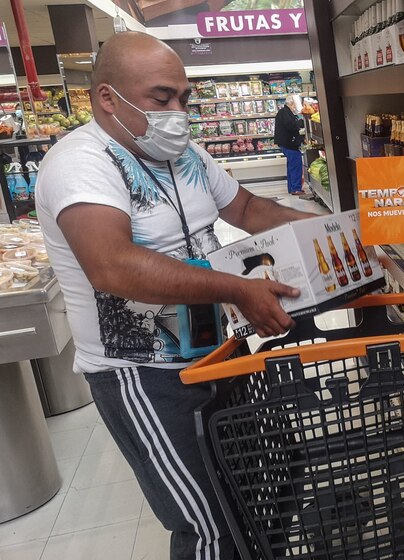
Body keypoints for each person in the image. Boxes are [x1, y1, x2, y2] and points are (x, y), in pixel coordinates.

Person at [36, 32, 317, 560]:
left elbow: (251, 211)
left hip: (216, 351)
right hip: (145, 373)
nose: (177, 113)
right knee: (208, 523)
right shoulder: (80, 164)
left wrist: (340, 229)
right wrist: (238, 287)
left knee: (258, 491)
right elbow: (111, 266)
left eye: (184, 98)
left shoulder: (186, 154)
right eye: (161, 99)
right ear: (107, 98)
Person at [274, 93, 305, 195]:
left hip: (286, 143)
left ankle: (292, 188)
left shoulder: (285, 112)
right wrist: (302, 122)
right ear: (292, 103)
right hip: (289, 144)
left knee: (291, 166)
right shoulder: (285, 112)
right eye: (296, 104)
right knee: (296, 165)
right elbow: (291, 126)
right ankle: (296, 188)